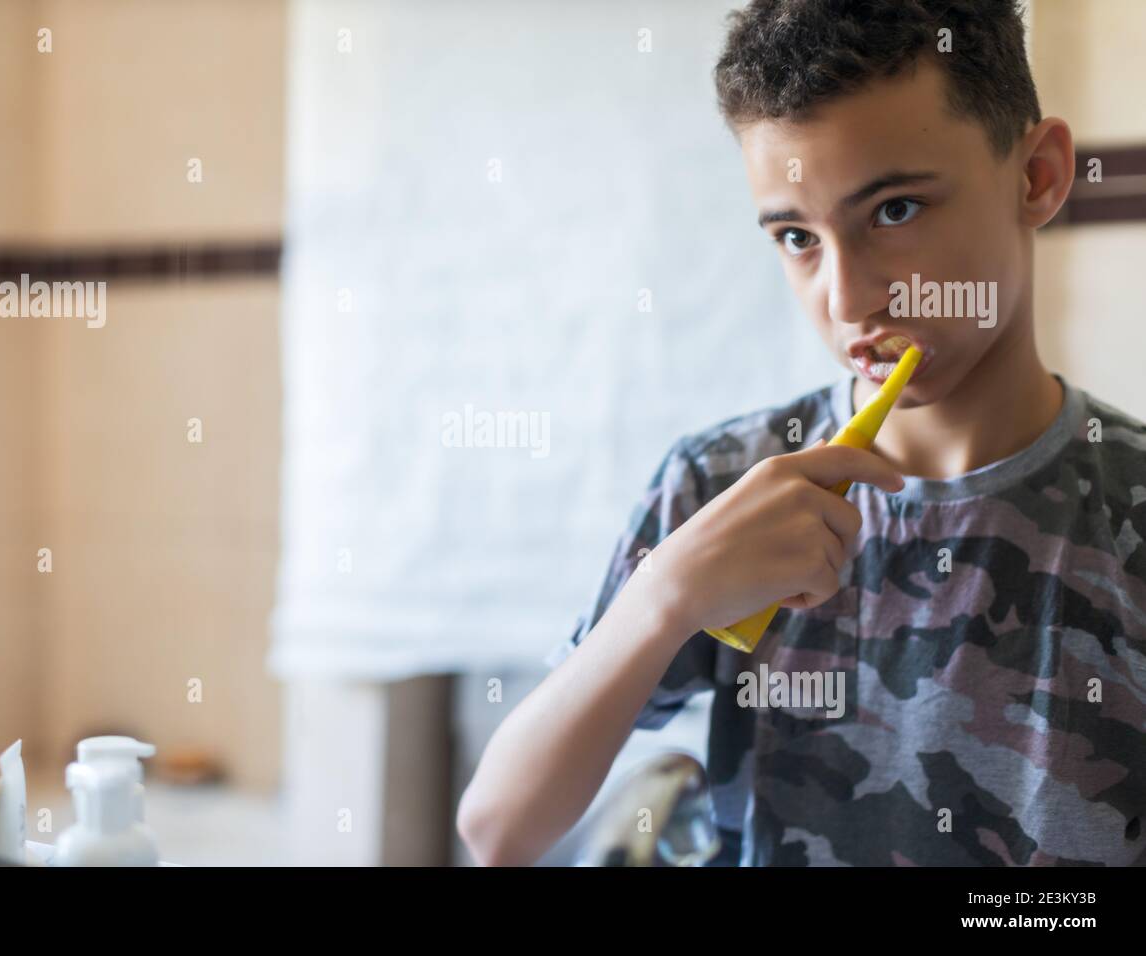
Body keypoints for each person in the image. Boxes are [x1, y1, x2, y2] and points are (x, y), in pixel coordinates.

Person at [457, 0, 1146, 866]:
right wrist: (664, 600)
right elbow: (498, 830)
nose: (847, 301)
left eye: (894, 211)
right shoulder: (719, 484)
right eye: (796, 236)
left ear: (1038, 176)